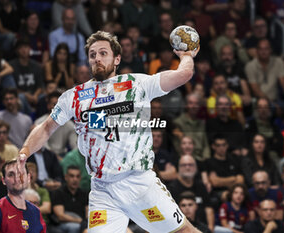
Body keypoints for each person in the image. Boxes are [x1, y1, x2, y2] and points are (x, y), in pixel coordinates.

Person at [17, 30, 201, 232]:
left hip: (139, 183)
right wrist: (24, 153)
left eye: (103, 53)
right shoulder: (74, 97)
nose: (97, 58)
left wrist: (185, 56)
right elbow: (45, 128)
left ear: (117, 59)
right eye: (93, 55)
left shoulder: (137, 84)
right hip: (102, 190)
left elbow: (183, 75)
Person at [0, 159, 46, 233]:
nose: (17, 178)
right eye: (11, 174)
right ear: (3, 180)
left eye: (20, 173)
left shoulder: (36, 211)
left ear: (28, 177)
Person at [168, 155, 215, 231]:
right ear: (179, 168)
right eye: (184, 165)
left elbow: (208, 208)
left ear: (196, 167)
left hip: (202, 227)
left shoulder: (201, 185)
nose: (187, 167)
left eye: (190, 165)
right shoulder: (172, 188)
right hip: (180, 228)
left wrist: (210, 228)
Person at [51, 165, 88, 233]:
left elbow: (88, 214)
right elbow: (60, 216)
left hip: (82, 223)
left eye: (77, 176)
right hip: (63, 224)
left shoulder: (84, 194)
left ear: (80, 178)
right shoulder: (58, 193)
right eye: (72, 176)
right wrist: (80, 221)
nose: (75, 179)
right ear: (66, 177)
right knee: (74, 227)